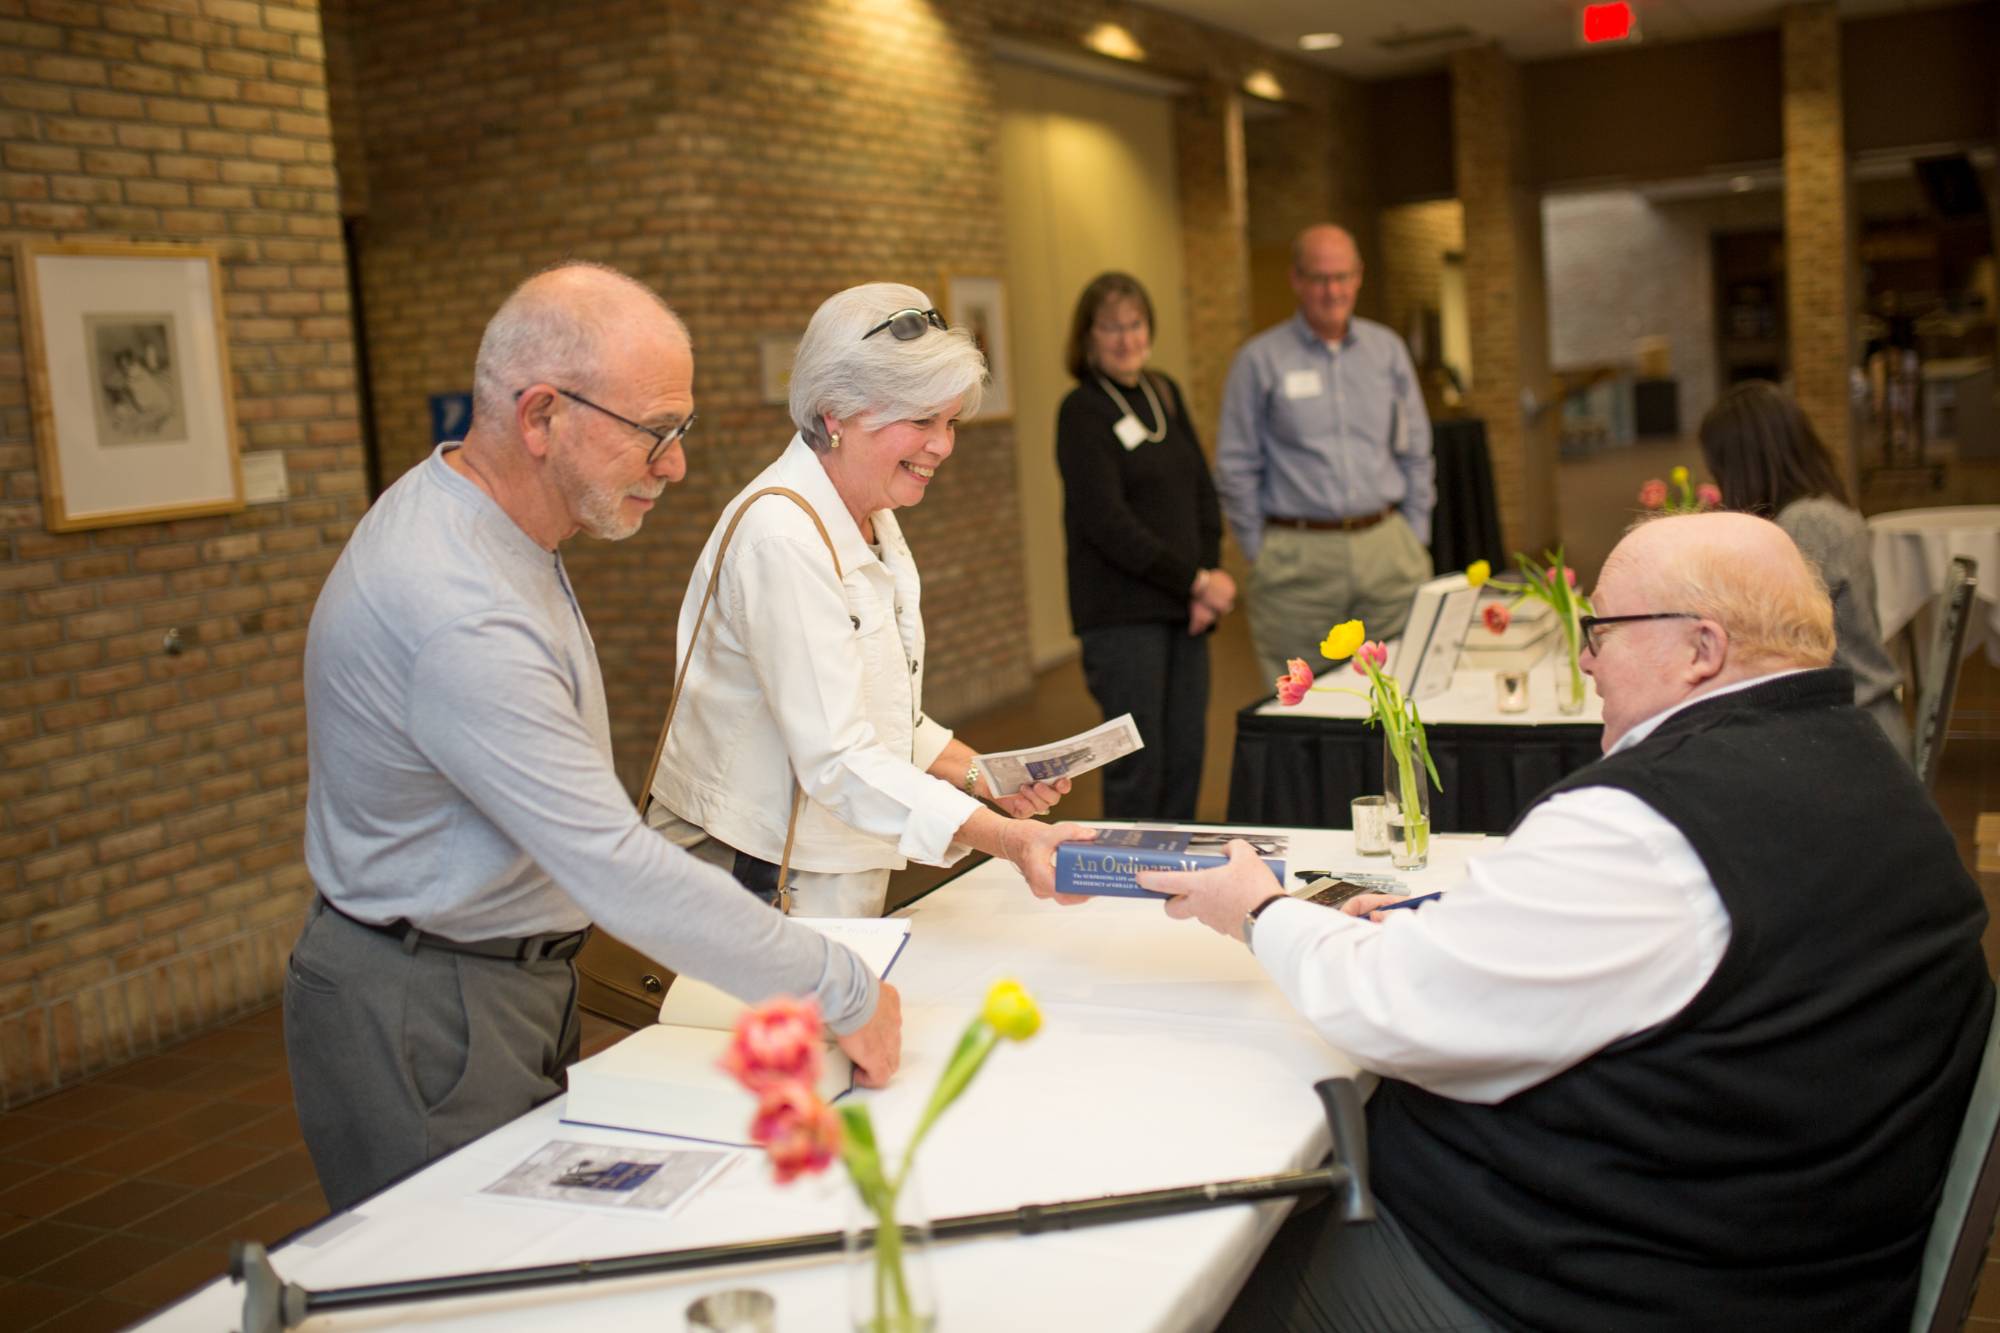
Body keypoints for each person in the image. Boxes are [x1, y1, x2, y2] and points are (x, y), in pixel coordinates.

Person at [1140, 512, 1991, 1333]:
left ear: (1701, 649)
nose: (1588, 662)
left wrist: (1258, 908)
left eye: (1603, 631)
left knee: (1207, 1276)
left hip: (1608, 1289)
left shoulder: (1651, 823)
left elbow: (1391, 1006)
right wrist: (1433, 917)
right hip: (1793, 1257)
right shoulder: (1864, 768)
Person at [287, 262, 901, 1212]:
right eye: (656, 432)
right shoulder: (460, 608)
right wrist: (839, 987)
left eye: (681, 430)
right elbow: (614, 866)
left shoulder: (484, 514)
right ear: (542, 416)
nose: (676, 465)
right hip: (431, 1001)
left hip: (487, 972)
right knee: (471, 1264)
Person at [646, 282, 1091, 918]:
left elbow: (881, 712)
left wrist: (981, 774)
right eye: (921, 421)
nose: (943, 445)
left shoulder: (872, 513)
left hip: (826, 861)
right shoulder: (782, 537)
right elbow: (838, 757)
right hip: (758, 878)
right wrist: (1010, 839)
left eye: (949, 422)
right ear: (835, 415)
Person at [1216, 224, 1435, 685]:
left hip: (1388, 551)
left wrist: (1414, 534)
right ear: (1296, 280)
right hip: (1297, 561)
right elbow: (1235, 466)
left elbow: (1417, 448)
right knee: (1303, 703)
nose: (1332, 291)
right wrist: (1260, 550)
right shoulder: (1258, 360)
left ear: (1359, 276)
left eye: (1342, 277)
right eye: (1319, 278)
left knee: (1403, 689)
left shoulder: (1387, 351)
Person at [1054, 272, 1234, 820]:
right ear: (1087, 336)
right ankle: (1130, 868)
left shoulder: (1164, 393)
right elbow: (1109, 523)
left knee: (1185, 756)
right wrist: (1196, 582)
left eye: (1135, 324)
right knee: (1139, 765)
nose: (1126, 338)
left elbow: (1201, 491)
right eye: (1111, 327)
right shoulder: (1082, 411)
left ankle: (1174, 867)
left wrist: (1207, 578)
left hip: (1185, 611)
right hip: (1122, 619)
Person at [1698, 378, 1909, 759]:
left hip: (1852, 736)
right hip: (1861, 719)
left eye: (1720, 469)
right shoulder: (1828, 508)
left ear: (1744, 463)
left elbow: (1768, 644)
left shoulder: (1806, 524)